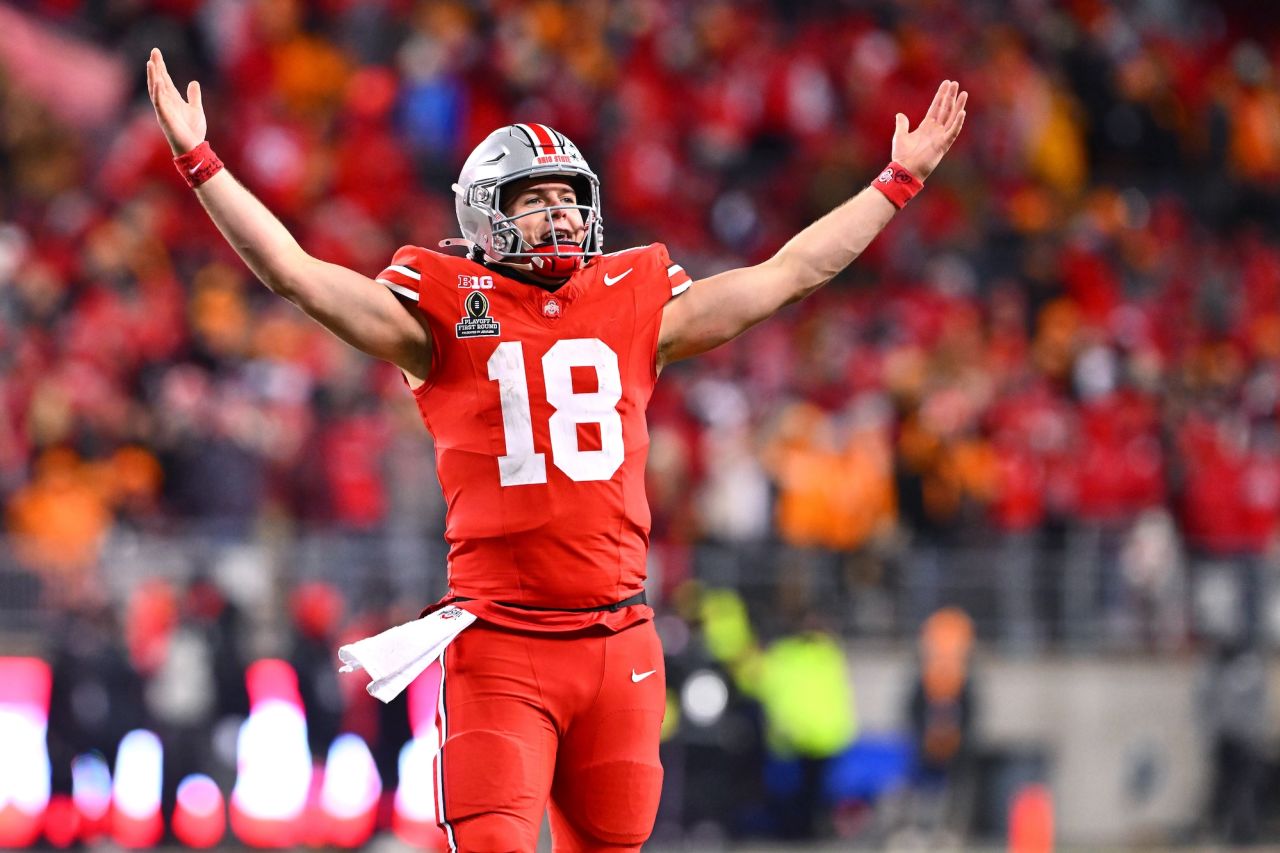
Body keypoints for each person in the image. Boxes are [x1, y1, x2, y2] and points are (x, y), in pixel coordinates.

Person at [146, 46, 967, 853]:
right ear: (483, 214)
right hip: (501, 642)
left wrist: (895, 183)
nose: (561, 216)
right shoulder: (442, 310)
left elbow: (789, 272)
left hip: (618, 642)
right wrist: (202, 163)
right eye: (535, 200)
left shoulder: (634, 299)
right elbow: (294, 273)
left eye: (569, 199)